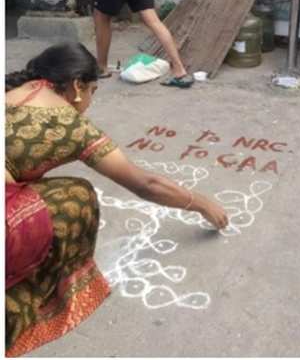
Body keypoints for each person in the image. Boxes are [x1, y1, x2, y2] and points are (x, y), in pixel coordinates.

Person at [5, 43, 228, 356]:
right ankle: (25, 302)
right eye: (93, 90)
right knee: (77, 195)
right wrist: (203, 203)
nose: (91, 101)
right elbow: (146, 184)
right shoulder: (69, 124)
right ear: (77, 87)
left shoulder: (14, 88)